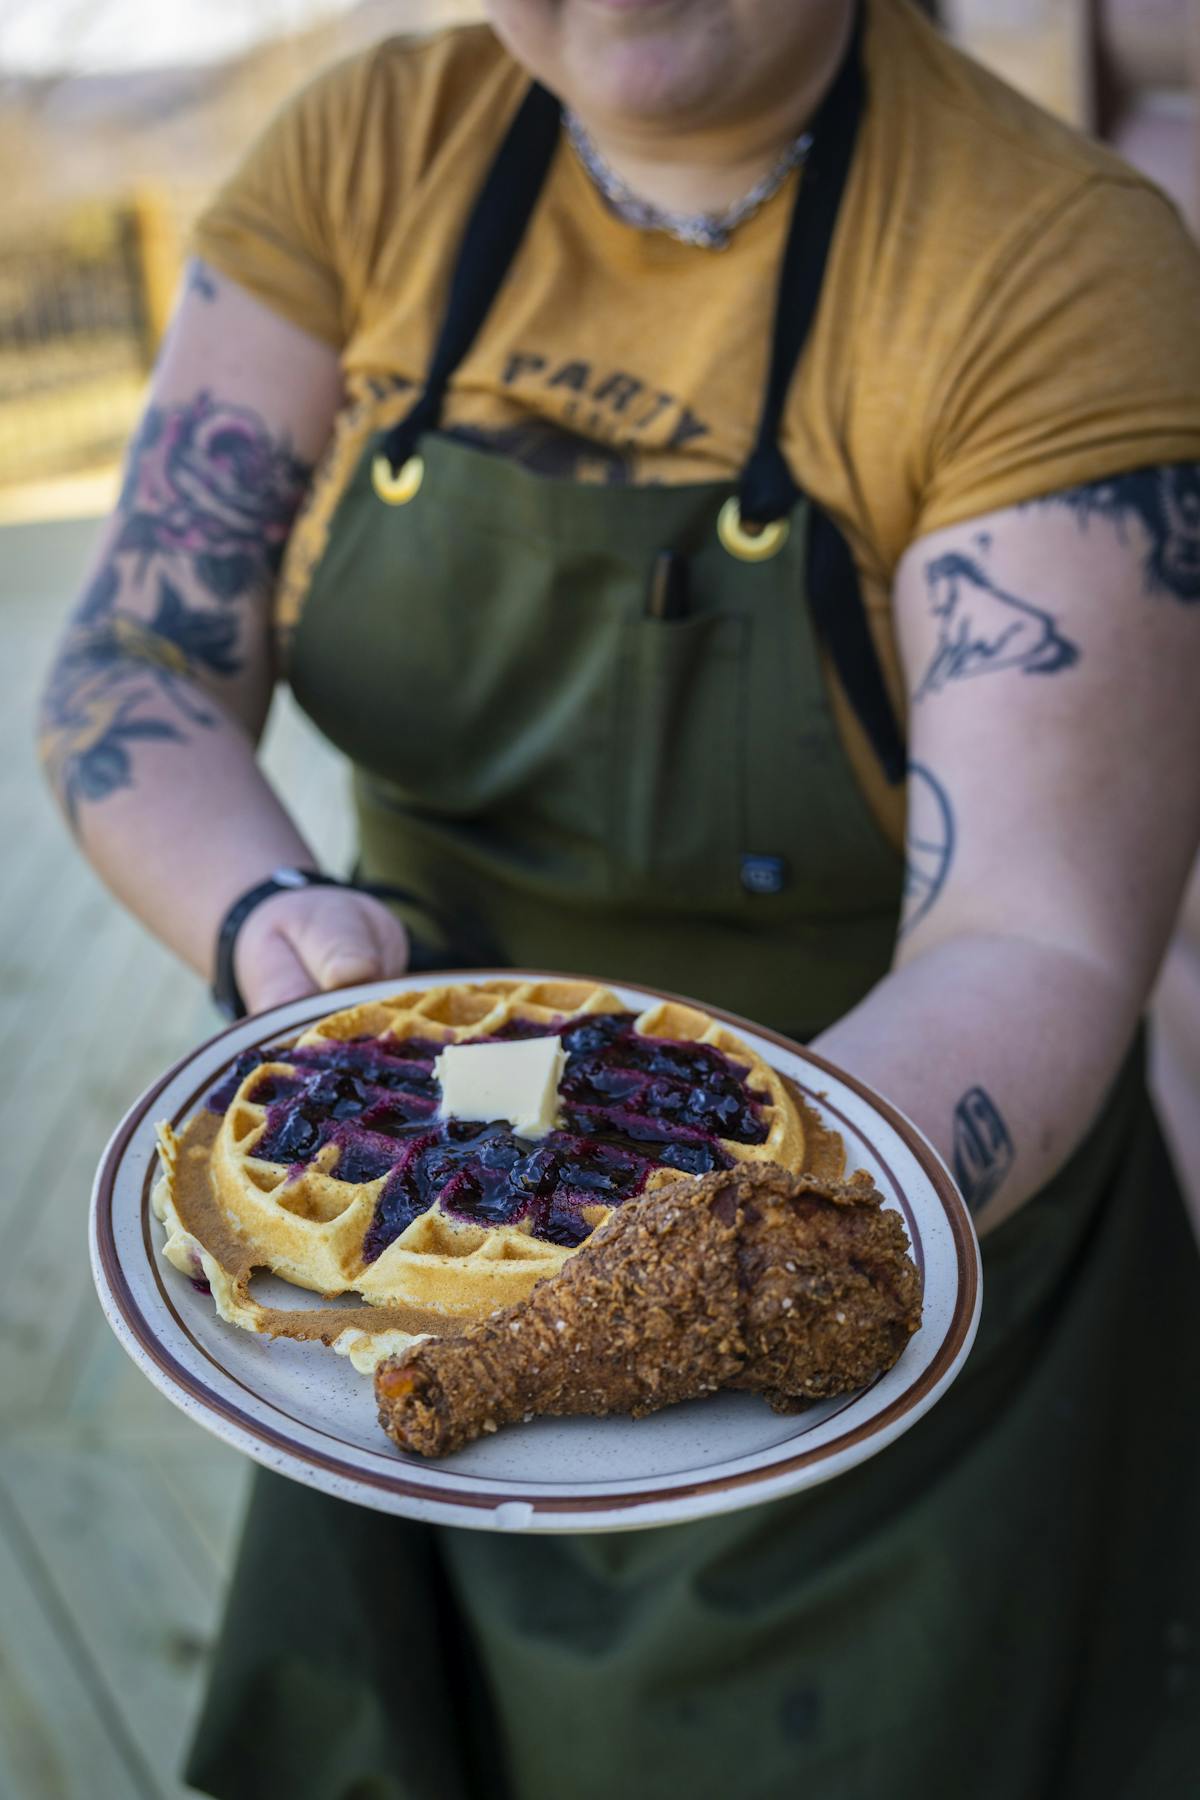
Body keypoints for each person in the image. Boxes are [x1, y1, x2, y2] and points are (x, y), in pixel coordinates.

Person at [38, 1, 1200, 1794]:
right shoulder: (370, 148)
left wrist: (733, 1259)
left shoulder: (1046, 253)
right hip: (377, 1248)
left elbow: (1037, 934)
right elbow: (139, 661)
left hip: (883, 1279)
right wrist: (271, 915)